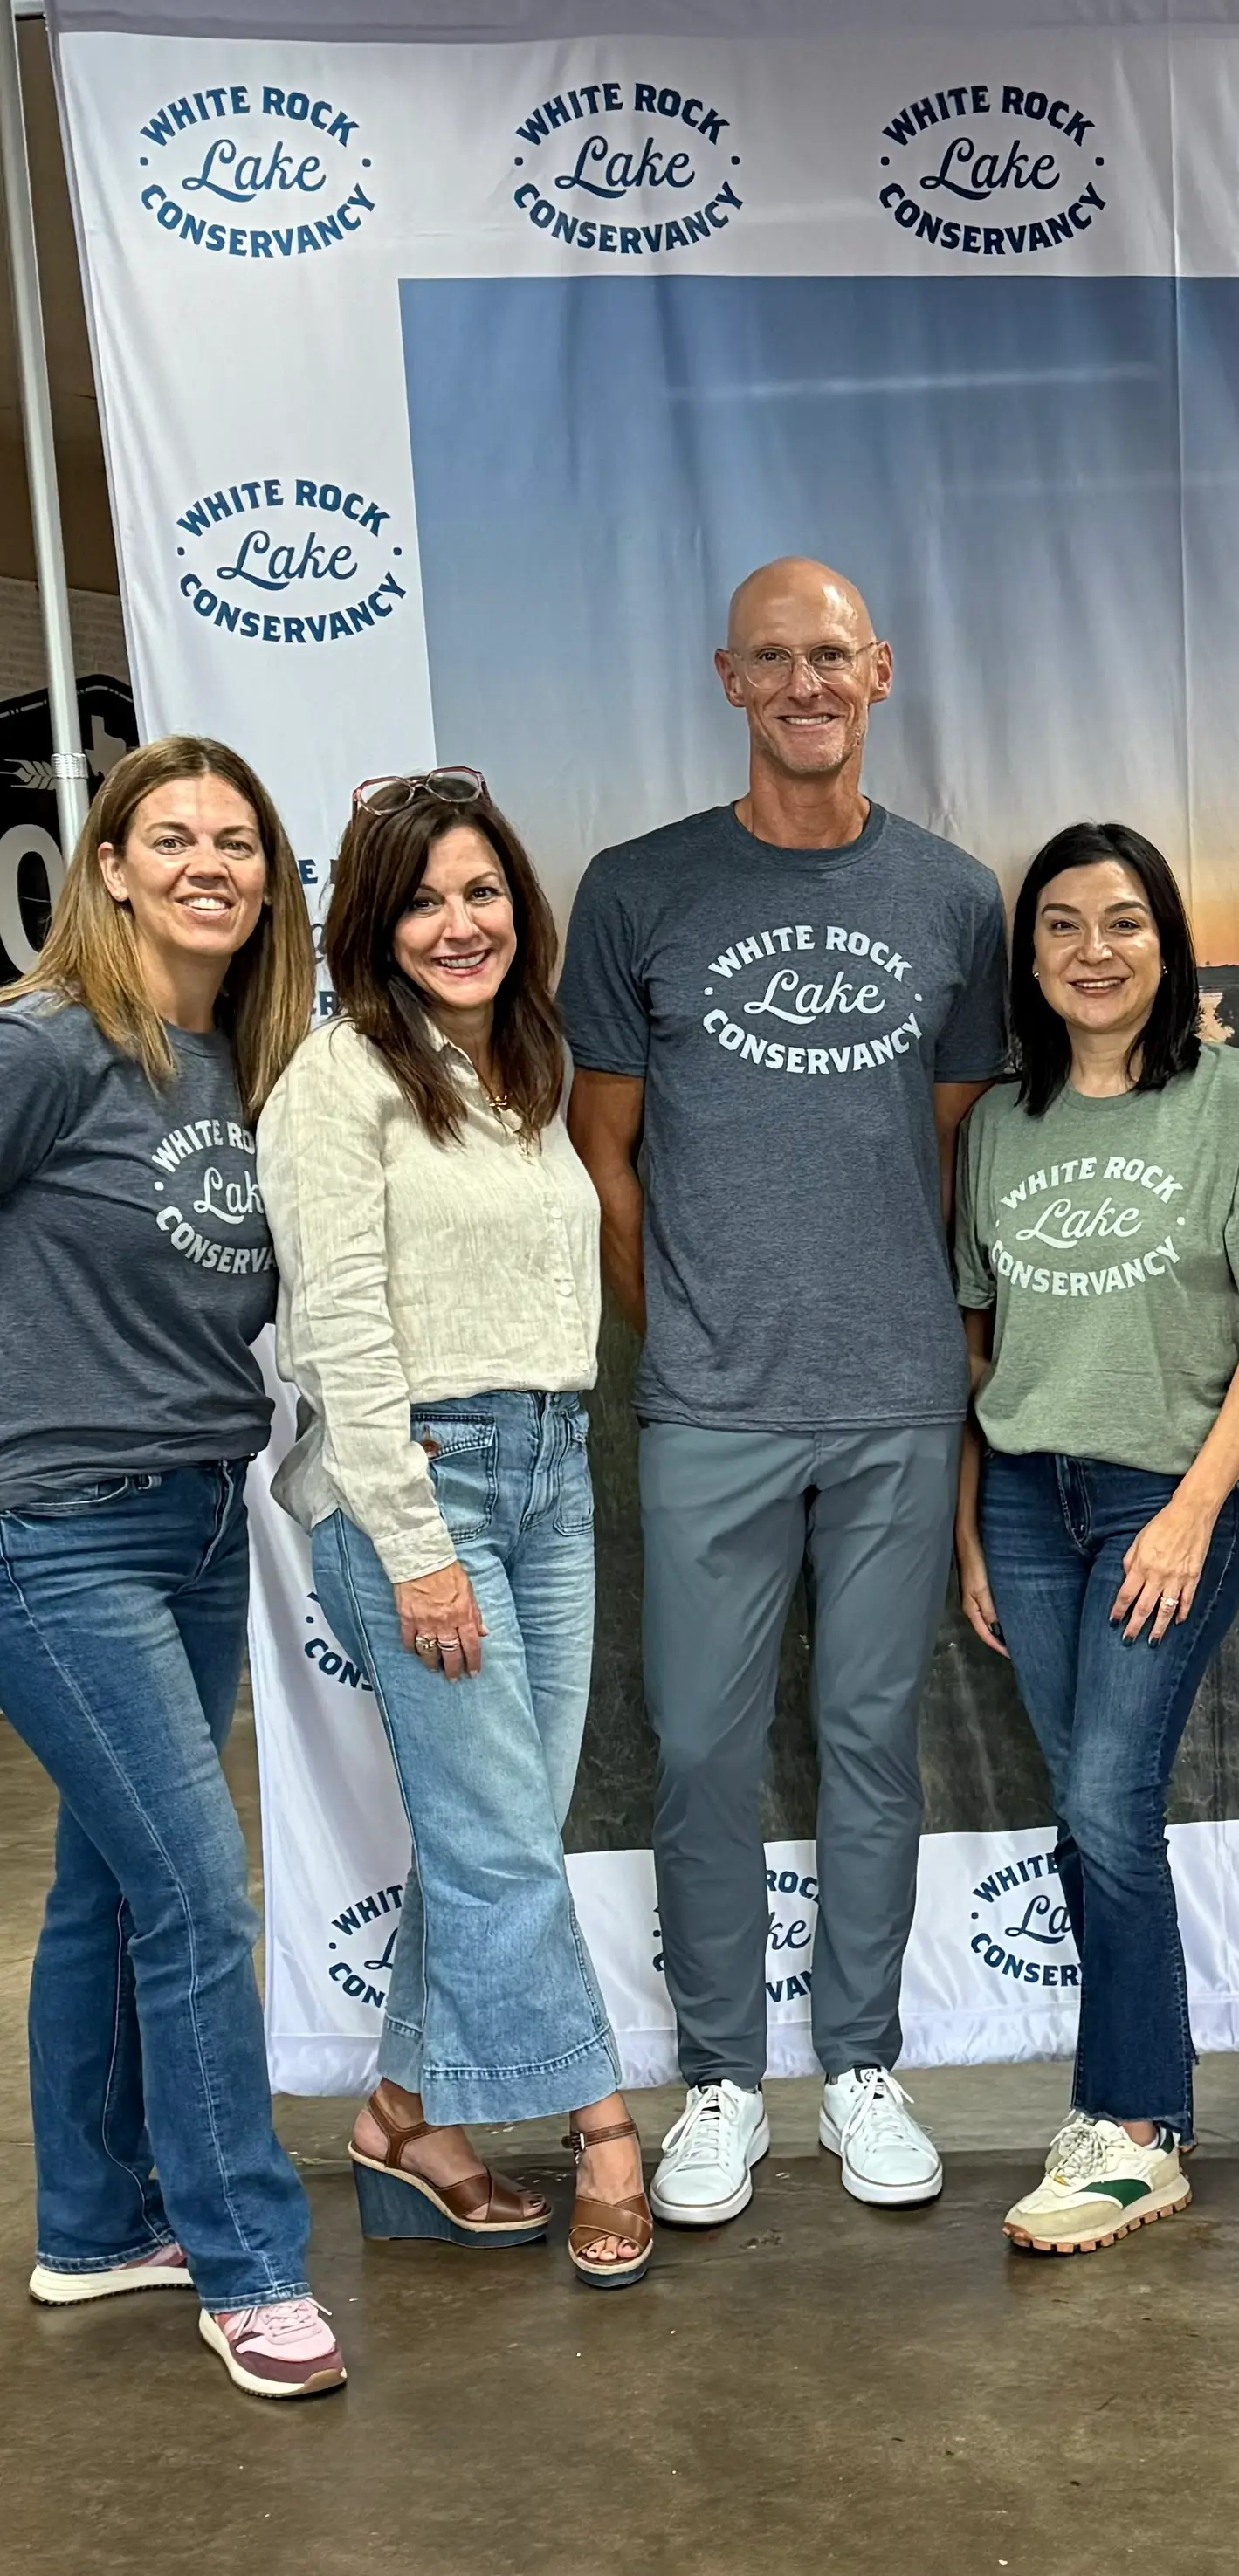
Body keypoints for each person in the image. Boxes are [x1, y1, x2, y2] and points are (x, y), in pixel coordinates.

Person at [561, 559, 1008, 2225]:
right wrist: (674, 1332)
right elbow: (604, 1149)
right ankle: (725, 2080)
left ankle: (865, 2064)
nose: (806, 682)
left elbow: (963, 1151)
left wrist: (938, 1346)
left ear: (880, 670)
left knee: (873, 1740)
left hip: (897, 1396)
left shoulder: (957, 898)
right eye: (774, 659)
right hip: (711, 1408)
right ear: (728, 677)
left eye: (833, 655)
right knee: (700, 1749)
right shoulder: (638, 890)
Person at [259, 769, 650, 2289]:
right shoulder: (339, 1078)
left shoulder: (524, 1072)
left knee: (505, 1829)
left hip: (553, 1477)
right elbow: (339, 1329)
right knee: (500, 1847)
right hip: (424, 1493)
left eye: (481, 890)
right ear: (372, 919)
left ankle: (405, 2115)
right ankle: (603, 2129)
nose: (458, 921)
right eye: (421, 897)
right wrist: (415, 1543)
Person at [0, 737, 340, 2397]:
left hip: (203, 1520)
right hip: (54, 1528)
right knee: (204, 1893)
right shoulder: (49, 1047)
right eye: (172, 837)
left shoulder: (247, 1061)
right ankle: (246, 2259)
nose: (210, 861)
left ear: (269, 881)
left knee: (112, 1885)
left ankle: (89, 2224)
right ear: (113, 867)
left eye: (239, 841)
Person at [952, 822, 1239, 2253]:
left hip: (1161, 1495)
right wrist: (973, 1523)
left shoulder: (1233, 1097)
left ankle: (1130, 2127)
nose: (1094, 950)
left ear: (1168, 945)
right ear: (1032, 956)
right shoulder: (1002, 1121)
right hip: (1028, 1496)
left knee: (1108, 1805)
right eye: (1062, 925)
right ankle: (1142, 2111)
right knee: (1084, 1811)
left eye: (1123, 921)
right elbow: (981, 1334)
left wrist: (1193, 1509)